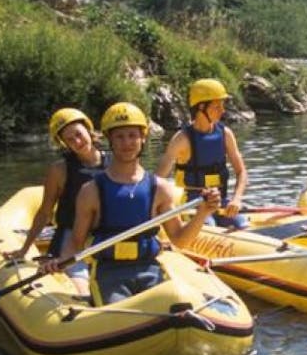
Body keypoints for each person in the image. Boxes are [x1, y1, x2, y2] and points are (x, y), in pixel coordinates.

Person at [39, 102, 220, 304]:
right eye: (120, 136)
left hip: (150, 269)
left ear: (143, 138)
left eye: (133, 135)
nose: (127, 142)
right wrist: (61, 261)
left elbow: (179, 239)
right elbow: (76, 243)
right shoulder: (90, 191)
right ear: (110, 140)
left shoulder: (160, 188)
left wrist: (203, 213)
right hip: (109, 274)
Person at [6, 108, 110, 284]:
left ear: (88, 130)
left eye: (79, 134)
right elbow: (45, 212)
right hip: (71, 235)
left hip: (105, 233)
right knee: (81, 280)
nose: (77, 141)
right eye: (70, 139)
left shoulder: (116, 163)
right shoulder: (59, 170)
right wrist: (24, 249)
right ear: (64, 144)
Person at [156, 78, 249, 230]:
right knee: (209, 228)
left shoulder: (226, 134)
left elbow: (241, 172)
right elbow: (158, 180)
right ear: (201, 107)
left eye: (222, 105)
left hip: (220, 202)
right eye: (217, 106)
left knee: (242, 225)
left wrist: (237, 199)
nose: (222, 110)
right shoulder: (182, 139)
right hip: (193, 205)